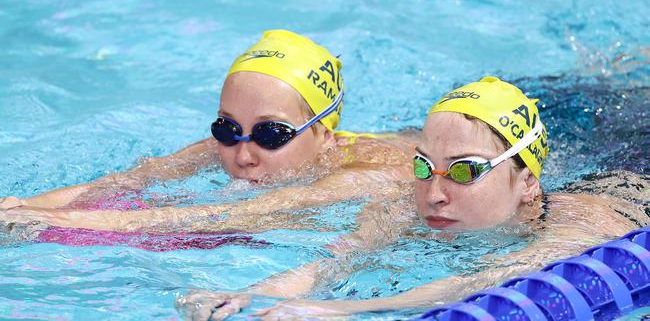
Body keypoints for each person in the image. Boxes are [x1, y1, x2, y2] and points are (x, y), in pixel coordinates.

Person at [174, 77, 649, 320]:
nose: (435, 194)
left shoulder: (582, 227)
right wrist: (249, 298)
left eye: (464, 171)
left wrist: (339, 311)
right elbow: (337, 260)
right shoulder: (406, 204)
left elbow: (486, 280)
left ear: (528, 183)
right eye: (423, 166)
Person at [0, 30, 415, 245]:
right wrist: (21, 206)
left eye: (271, 134)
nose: (243, 154)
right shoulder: (234, 146)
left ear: (324, 135)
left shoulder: (364, 176)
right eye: (226, 128)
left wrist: (60, 222)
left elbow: (225, 217)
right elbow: (121, 183)